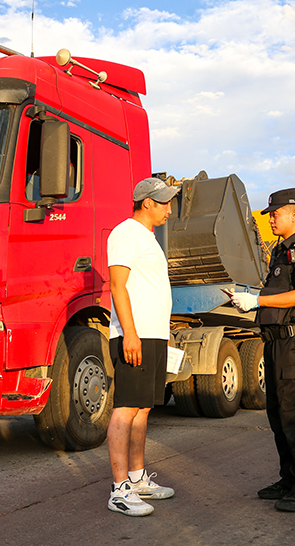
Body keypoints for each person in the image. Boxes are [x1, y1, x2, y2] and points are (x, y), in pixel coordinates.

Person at [231, 187, 295, 513]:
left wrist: (257, 300)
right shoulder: (279, 252)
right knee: (279, 415)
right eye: (270, 214)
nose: (270, 218)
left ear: (294, 214)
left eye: (275, 213)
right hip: (275, 343)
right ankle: (289, 479)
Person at [105, 177, 179, 517]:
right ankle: (120, 490)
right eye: (163, 202)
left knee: (144, 408)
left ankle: (137, 479)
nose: (168, 209)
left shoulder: (148, 238)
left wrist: (161, 333)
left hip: (153, 335)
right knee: (126, 407)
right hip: (134, 335)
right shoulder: (125, 233)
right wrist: (130, 333)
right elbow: (118, 287)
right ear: (146, 203)